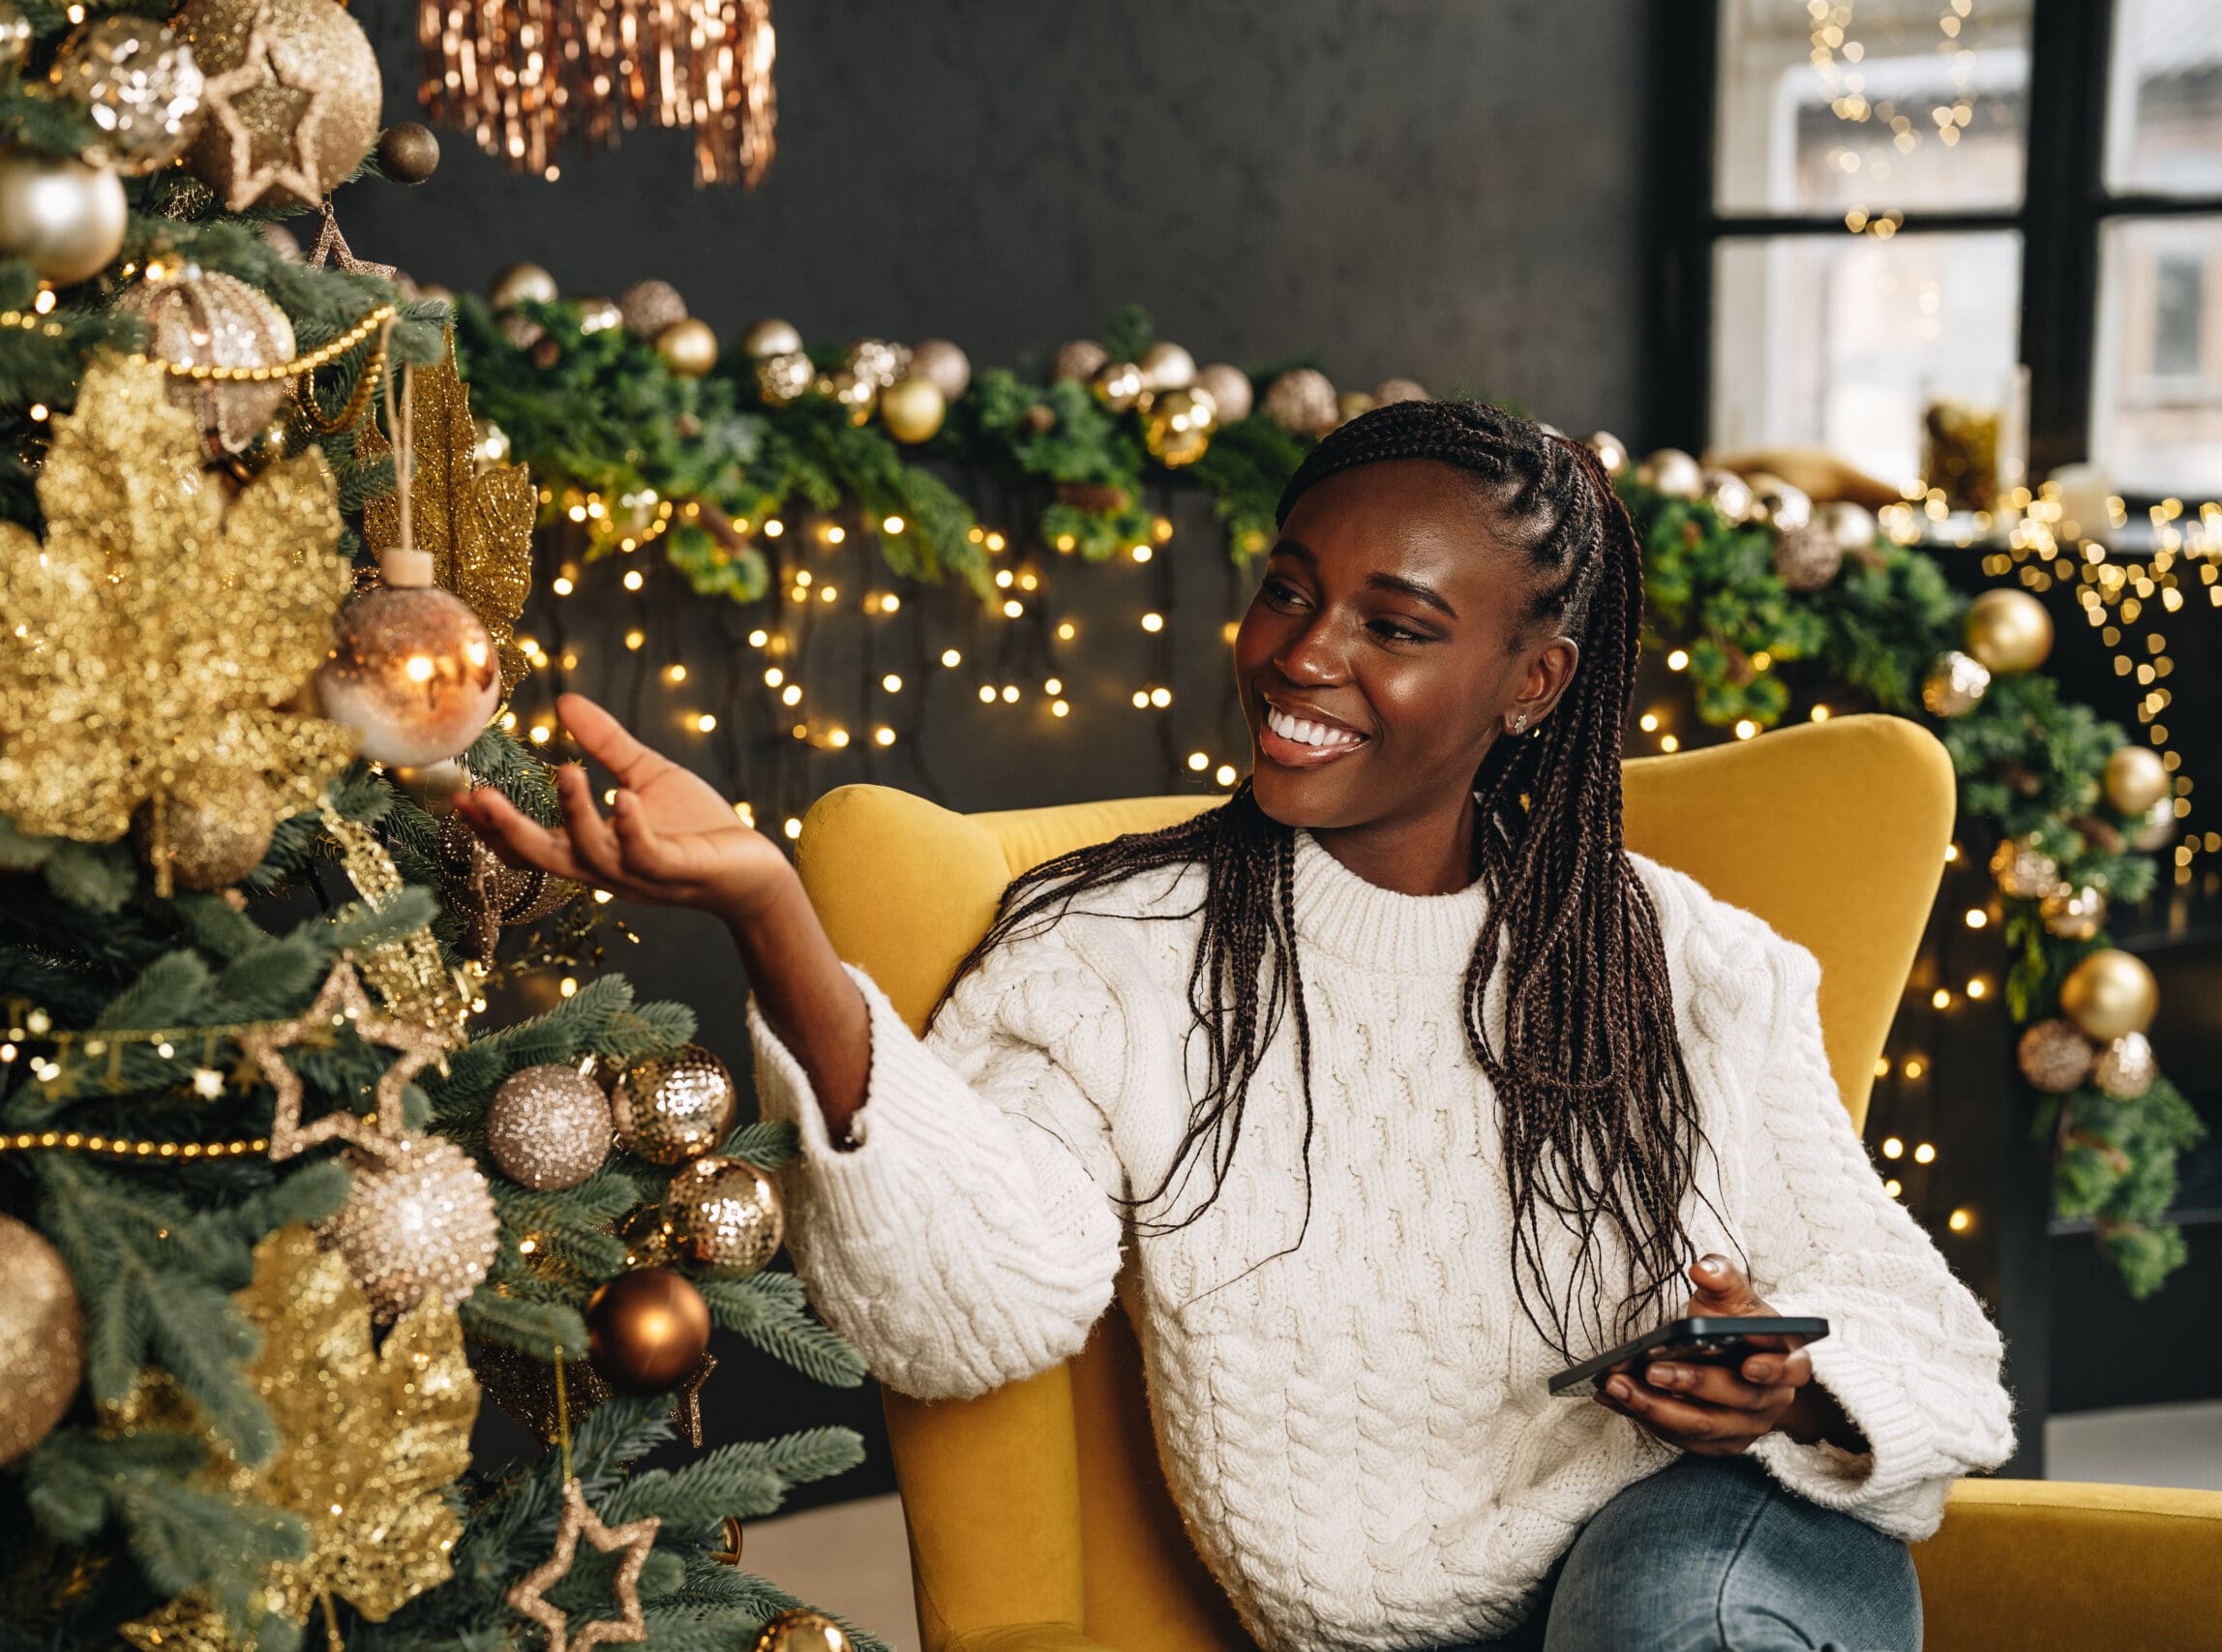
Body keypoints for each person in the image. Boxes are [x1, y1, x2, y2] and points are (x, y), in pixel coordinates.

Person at [457, 400, 2015, 1652]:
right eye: (1289, 588)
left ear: (1530, 681)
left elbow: (1937, 1349)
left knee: (1677, 1613)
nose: (1301, 655)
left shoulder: (1686, 959)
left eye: (1394, 626)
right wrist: (773, 917)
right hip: (1386, 1627)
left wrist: (1790, 1387)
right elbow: (963, 1308)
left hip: (1713, 1545)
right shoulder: (1116, 950)